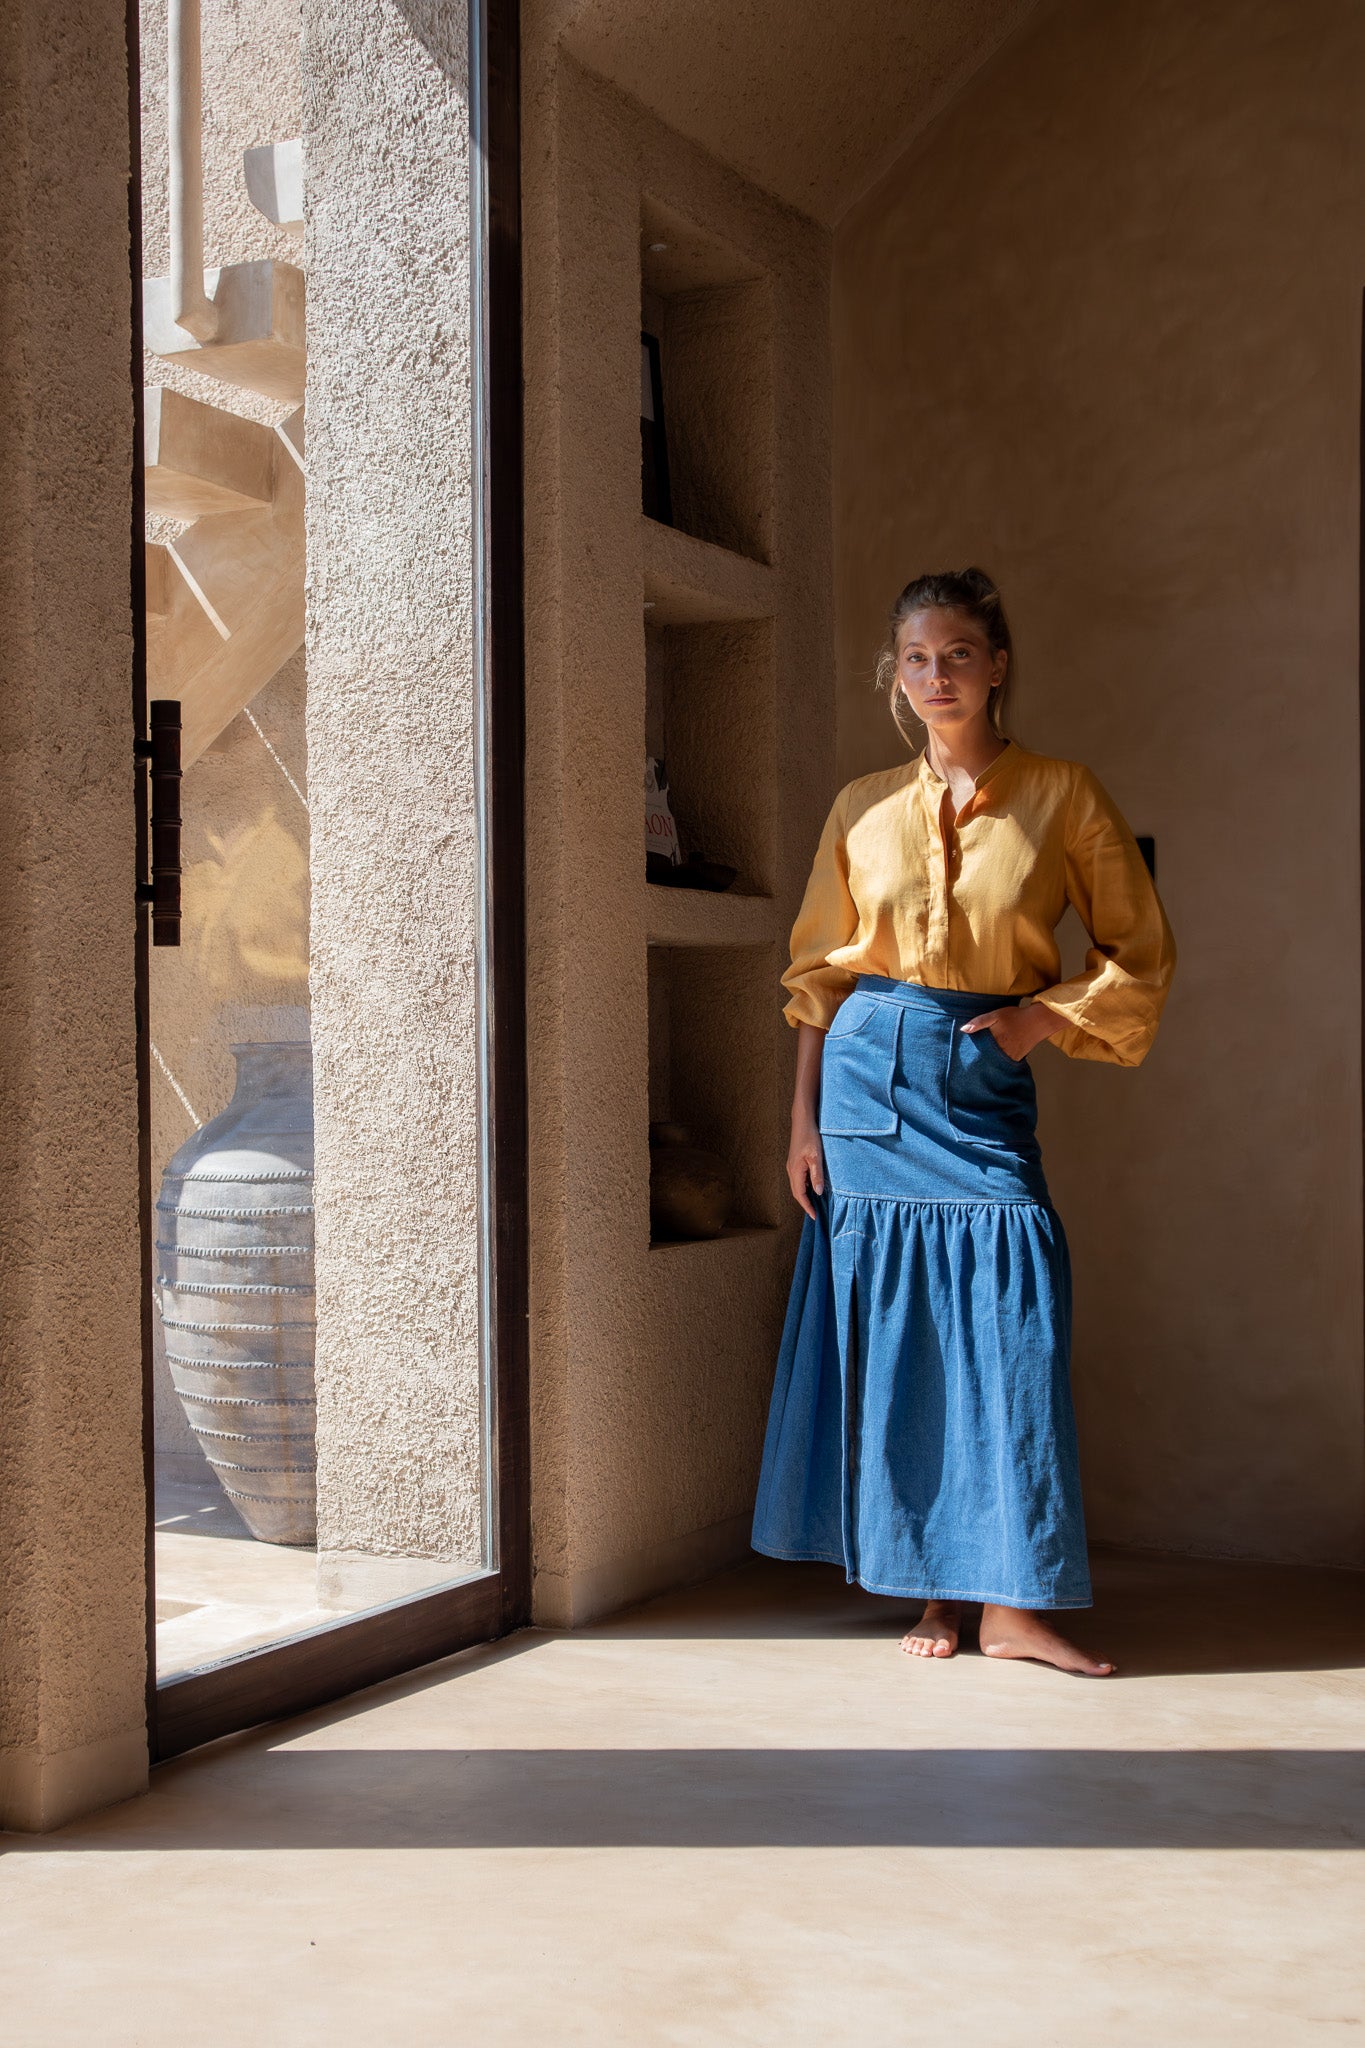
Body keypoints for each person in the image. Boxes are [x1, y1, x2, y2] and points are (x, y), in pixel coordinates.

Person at [751, 568, 1175, 1676]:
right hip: (864, 1083)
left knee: (1008, 1315)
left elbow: (1142, 950)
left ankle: (1014, 1603)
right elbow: (816, 979)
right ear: (896, 675)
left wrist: (1043, 1019)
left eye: (958, 654)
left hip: (980, 1084)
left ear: (998, 664)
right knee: (907, 1336)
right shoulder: (861, 805)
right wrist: (801, 1123)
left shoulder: (1065, 795)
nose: (937, 676)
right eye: (917, 658)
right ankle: (944, 1586)